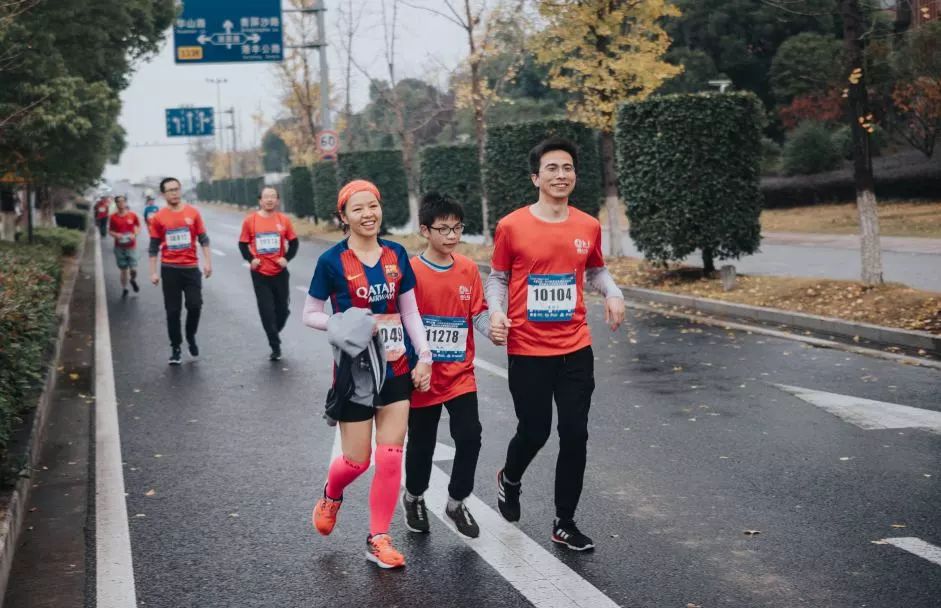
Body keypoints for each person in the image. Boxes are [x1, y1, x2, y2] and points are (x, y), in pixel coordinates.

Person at [485, 137, 625, 552]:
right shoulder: (512, 226)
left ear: (574, 175)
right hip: (528, 348)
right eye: (552, 168)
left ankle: (565, 522)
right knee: (535, 431)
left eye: (567, 168)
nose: (561, 175)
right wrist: (496, 312)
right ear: (536, 177)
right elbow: (497, 277)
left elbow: (596, 270)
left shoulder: (587, 225)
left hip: (575, 346)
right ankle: (510, 477)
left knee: (575, 433)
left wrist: (613, 292)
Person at [302, 179, 432, 569]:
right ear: (343, 217)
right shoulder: (330, 261)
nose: (367, 214)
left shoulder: (395, 254)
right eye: (357, 209)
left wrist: (424, 355)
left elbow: (409, 311)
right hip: (355, 371)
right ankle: (331, 493)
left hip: (396, 366)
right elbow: (310, 313)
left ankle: (378, 538)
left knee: (391, 458)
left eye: (372, 206)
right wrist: (341, 325)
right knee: (357, 461)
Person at [400, 193, 507, 539]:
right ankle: (414, 496)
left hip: (460, 374)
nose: (451, 236)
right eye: (443, 229)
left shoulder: (467, 269)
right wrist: (414, 363)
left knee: (470, 437)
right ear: (425, 231)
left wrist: (490, 327)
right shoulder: (411, 271)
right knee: (422, 442)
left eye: (457, 228)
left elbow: (475, 313)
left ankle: (456, 501)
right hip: (423, 375)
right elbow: (401, 320)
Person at [148, 177, 213, 365]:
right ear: (163, 194)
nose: (174, 193)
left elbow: (203, 239)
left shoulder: (193, 213)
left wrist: (208, 262)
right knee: (172, 311)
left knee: (195, 306)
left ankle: (190, 335)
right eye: (170, 190)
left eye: (176, 189)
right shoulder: (159, 218)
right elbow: (153, 247)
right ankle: (176, 347)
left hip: (191, 269)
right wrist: (153, 272)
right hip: (169, 270)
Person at [238, 186, 299, 361]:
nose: (270, 200)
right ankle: (275, 344)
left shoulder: (283, 220)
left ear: (277, 200)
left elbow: (293, 242)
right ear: (260, 200)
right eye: (266, 197)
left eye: (273, 196)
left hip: (280, 272)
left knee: (282, 309)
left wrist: (286, 258)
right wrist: (251, 260)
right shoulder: (251, 221)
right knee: (266, 310)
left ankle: (274, 330)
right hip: (260, 274)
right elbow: (242, 244)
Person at [108, 195, 141, 298]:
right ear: (116, 204)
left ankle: (132, 279)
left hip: (131, 246)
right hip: (119, 247)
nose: (121, 203)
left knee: (133, 269)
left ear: (126, 203)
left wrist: (134, 234)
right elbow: (110, 230)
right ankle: (124, 288)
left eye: (123, 201)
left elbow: (138, 226)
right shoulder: (113, 217)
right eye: (119, 202)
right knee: (123, 270)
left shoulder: (132, 215)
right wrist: (116, 235)